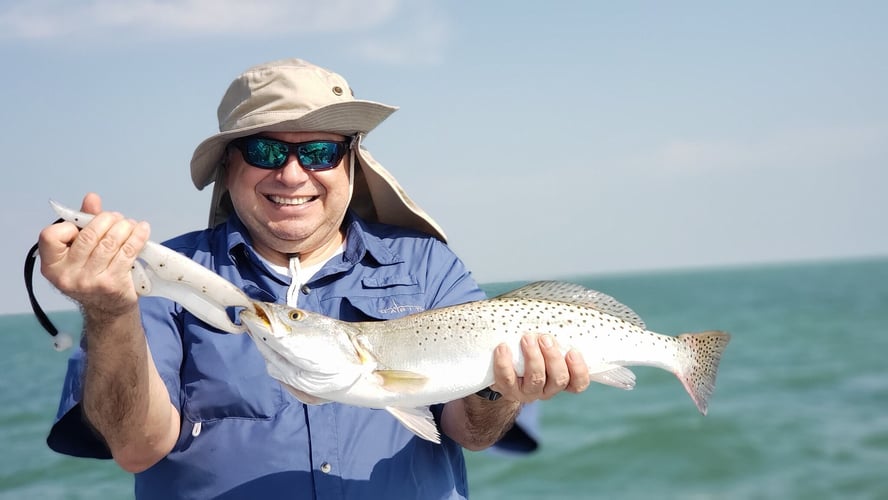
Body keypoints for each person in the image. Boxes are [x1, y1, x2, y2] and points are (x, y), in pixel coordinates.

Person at [39, 58, 590, 499]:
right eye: (265, 149)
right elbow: (137, 448)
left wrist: (500, 389)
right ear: (227, 169)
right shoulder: (156, 280)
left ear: (352, 165)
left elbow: (474, 433)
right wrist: (111, 312)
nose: (292, 173)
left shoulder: (430, 266)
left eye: (320, 150)